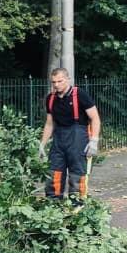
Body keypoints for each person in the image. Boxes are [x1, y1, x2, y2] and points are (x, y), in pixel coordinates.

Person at [38, 68, 101, 201]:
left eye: (60, 81)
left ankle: (77, 207)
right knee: (53, 173)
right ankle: (53, 206)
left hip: (78, 139)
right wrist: (42, 144)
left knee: (77, 175)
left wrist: (94, 140)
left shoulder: (80, 95)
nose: (56, 85)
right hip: (59, 140)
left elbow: (95, 118)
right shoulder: (50, 99)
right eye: (53, 82)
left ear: (67, 79)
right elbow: (49, 124)